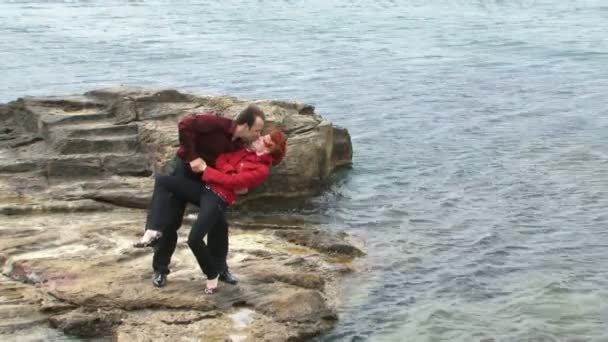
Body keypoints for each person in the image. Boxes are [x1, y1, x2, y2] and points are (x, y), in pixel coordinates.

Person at [136, 128, 287, 294]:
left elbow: (233, 175)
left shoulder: (242, 143)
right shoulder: (215, 128)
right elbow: (223, 161)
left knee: (219, 225)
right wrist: (227, 173)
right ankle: (160, 268)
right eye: (258, 131)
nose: (258, 135)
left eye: (261, 134)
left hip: (212, 183)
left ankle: (220, 269)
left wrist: (225, 174)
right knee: (170, 219)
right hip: (187, 171)